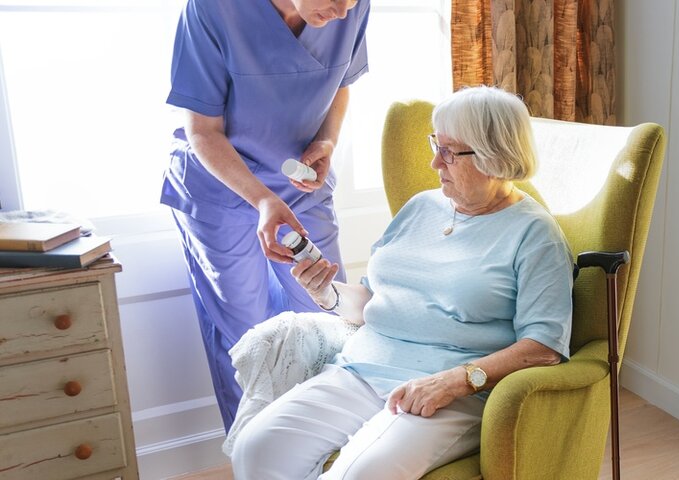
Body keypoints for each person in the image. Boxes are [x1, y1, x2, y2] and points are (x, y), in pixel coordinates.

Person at [230, 86, 575, 479]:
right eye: (435, 145)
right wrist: (325, 293)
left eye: (448, 151)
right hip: (361, 369)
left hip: (447, 392)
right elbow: (376, 302)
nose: (433, 163)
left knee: (359, 474)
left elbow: (544, 347)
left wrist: (456, 381)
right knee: (256, 449)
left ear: (493, 155)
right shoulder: (421, 207)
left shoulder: (535, 235)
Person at [159, 0, 370, 430]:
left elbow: (341, 84)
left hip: (301, 185)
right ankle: (257, 459)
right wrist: (262, 201)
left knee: (330, 322)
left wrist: (327, 143)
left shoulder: (352, 6)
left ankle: (326, 455)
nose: (344, 12)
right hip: (223, 189)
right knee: (246, 336)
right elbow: (203, 131)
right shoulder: (214, 10)